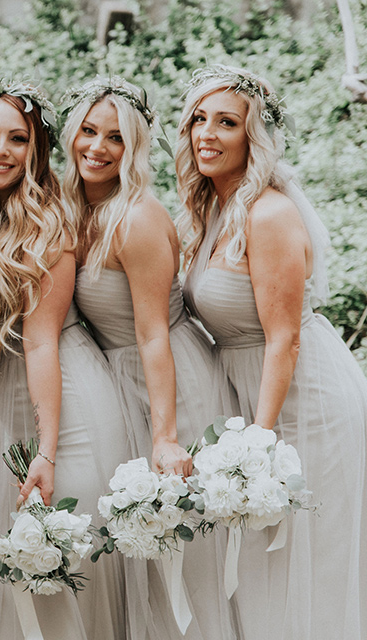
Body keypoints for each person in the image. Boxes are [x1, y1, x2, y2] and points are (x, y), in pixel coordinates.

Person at [178, 64, 367, 640]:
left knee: (310, 562)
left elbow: (285, 337)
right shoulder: (212, 207)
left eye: (226, 123)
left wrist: (259, 440)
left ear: (252, 136)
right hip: (250, 391)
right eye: (198, 120)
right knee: (264, 563)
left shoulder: (270, 212)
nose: (207, 134)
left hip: (302, 400)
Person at [62, 77, 237, 640]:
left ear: (133, 149)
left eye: (115, 138)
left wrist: (166, 435)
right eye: (88, 131)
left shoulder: (134, 218)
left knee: (184, 544)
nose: (97, 147)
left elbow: (153, 333)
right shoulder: (72, 207)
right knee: (144, 540)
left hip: (170, 377)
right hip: (117, 375)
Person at [0, 76, 130, 640]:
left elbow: (40, 342)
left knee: (57, 562)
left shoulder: (47, 222)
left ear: (35, 150)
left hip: (60, 389)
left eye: (17, 140)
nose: (1, 152)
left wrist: (48, 449)